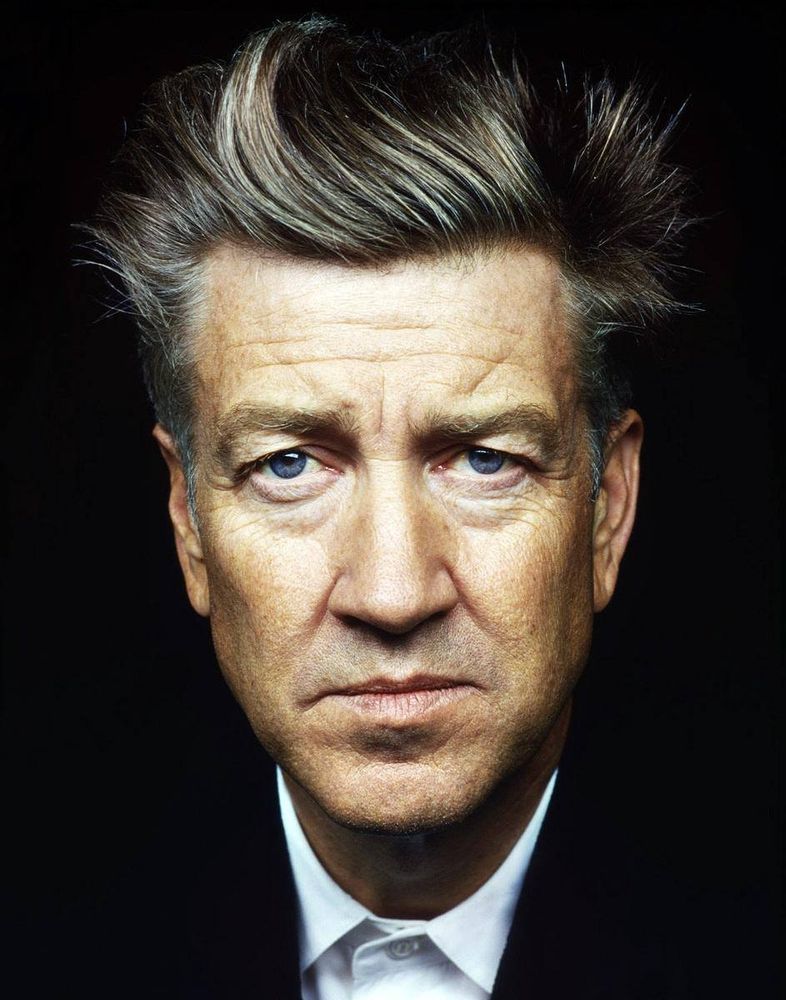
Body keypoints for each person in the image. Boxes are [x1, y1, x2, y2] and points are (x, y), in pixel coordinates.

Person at [86, 16, 697, 999]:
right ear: (188, 524)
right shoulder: (56, 941)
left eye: (484, 460)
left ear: (608, 508)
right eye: (290, 464)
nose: (393, 590)